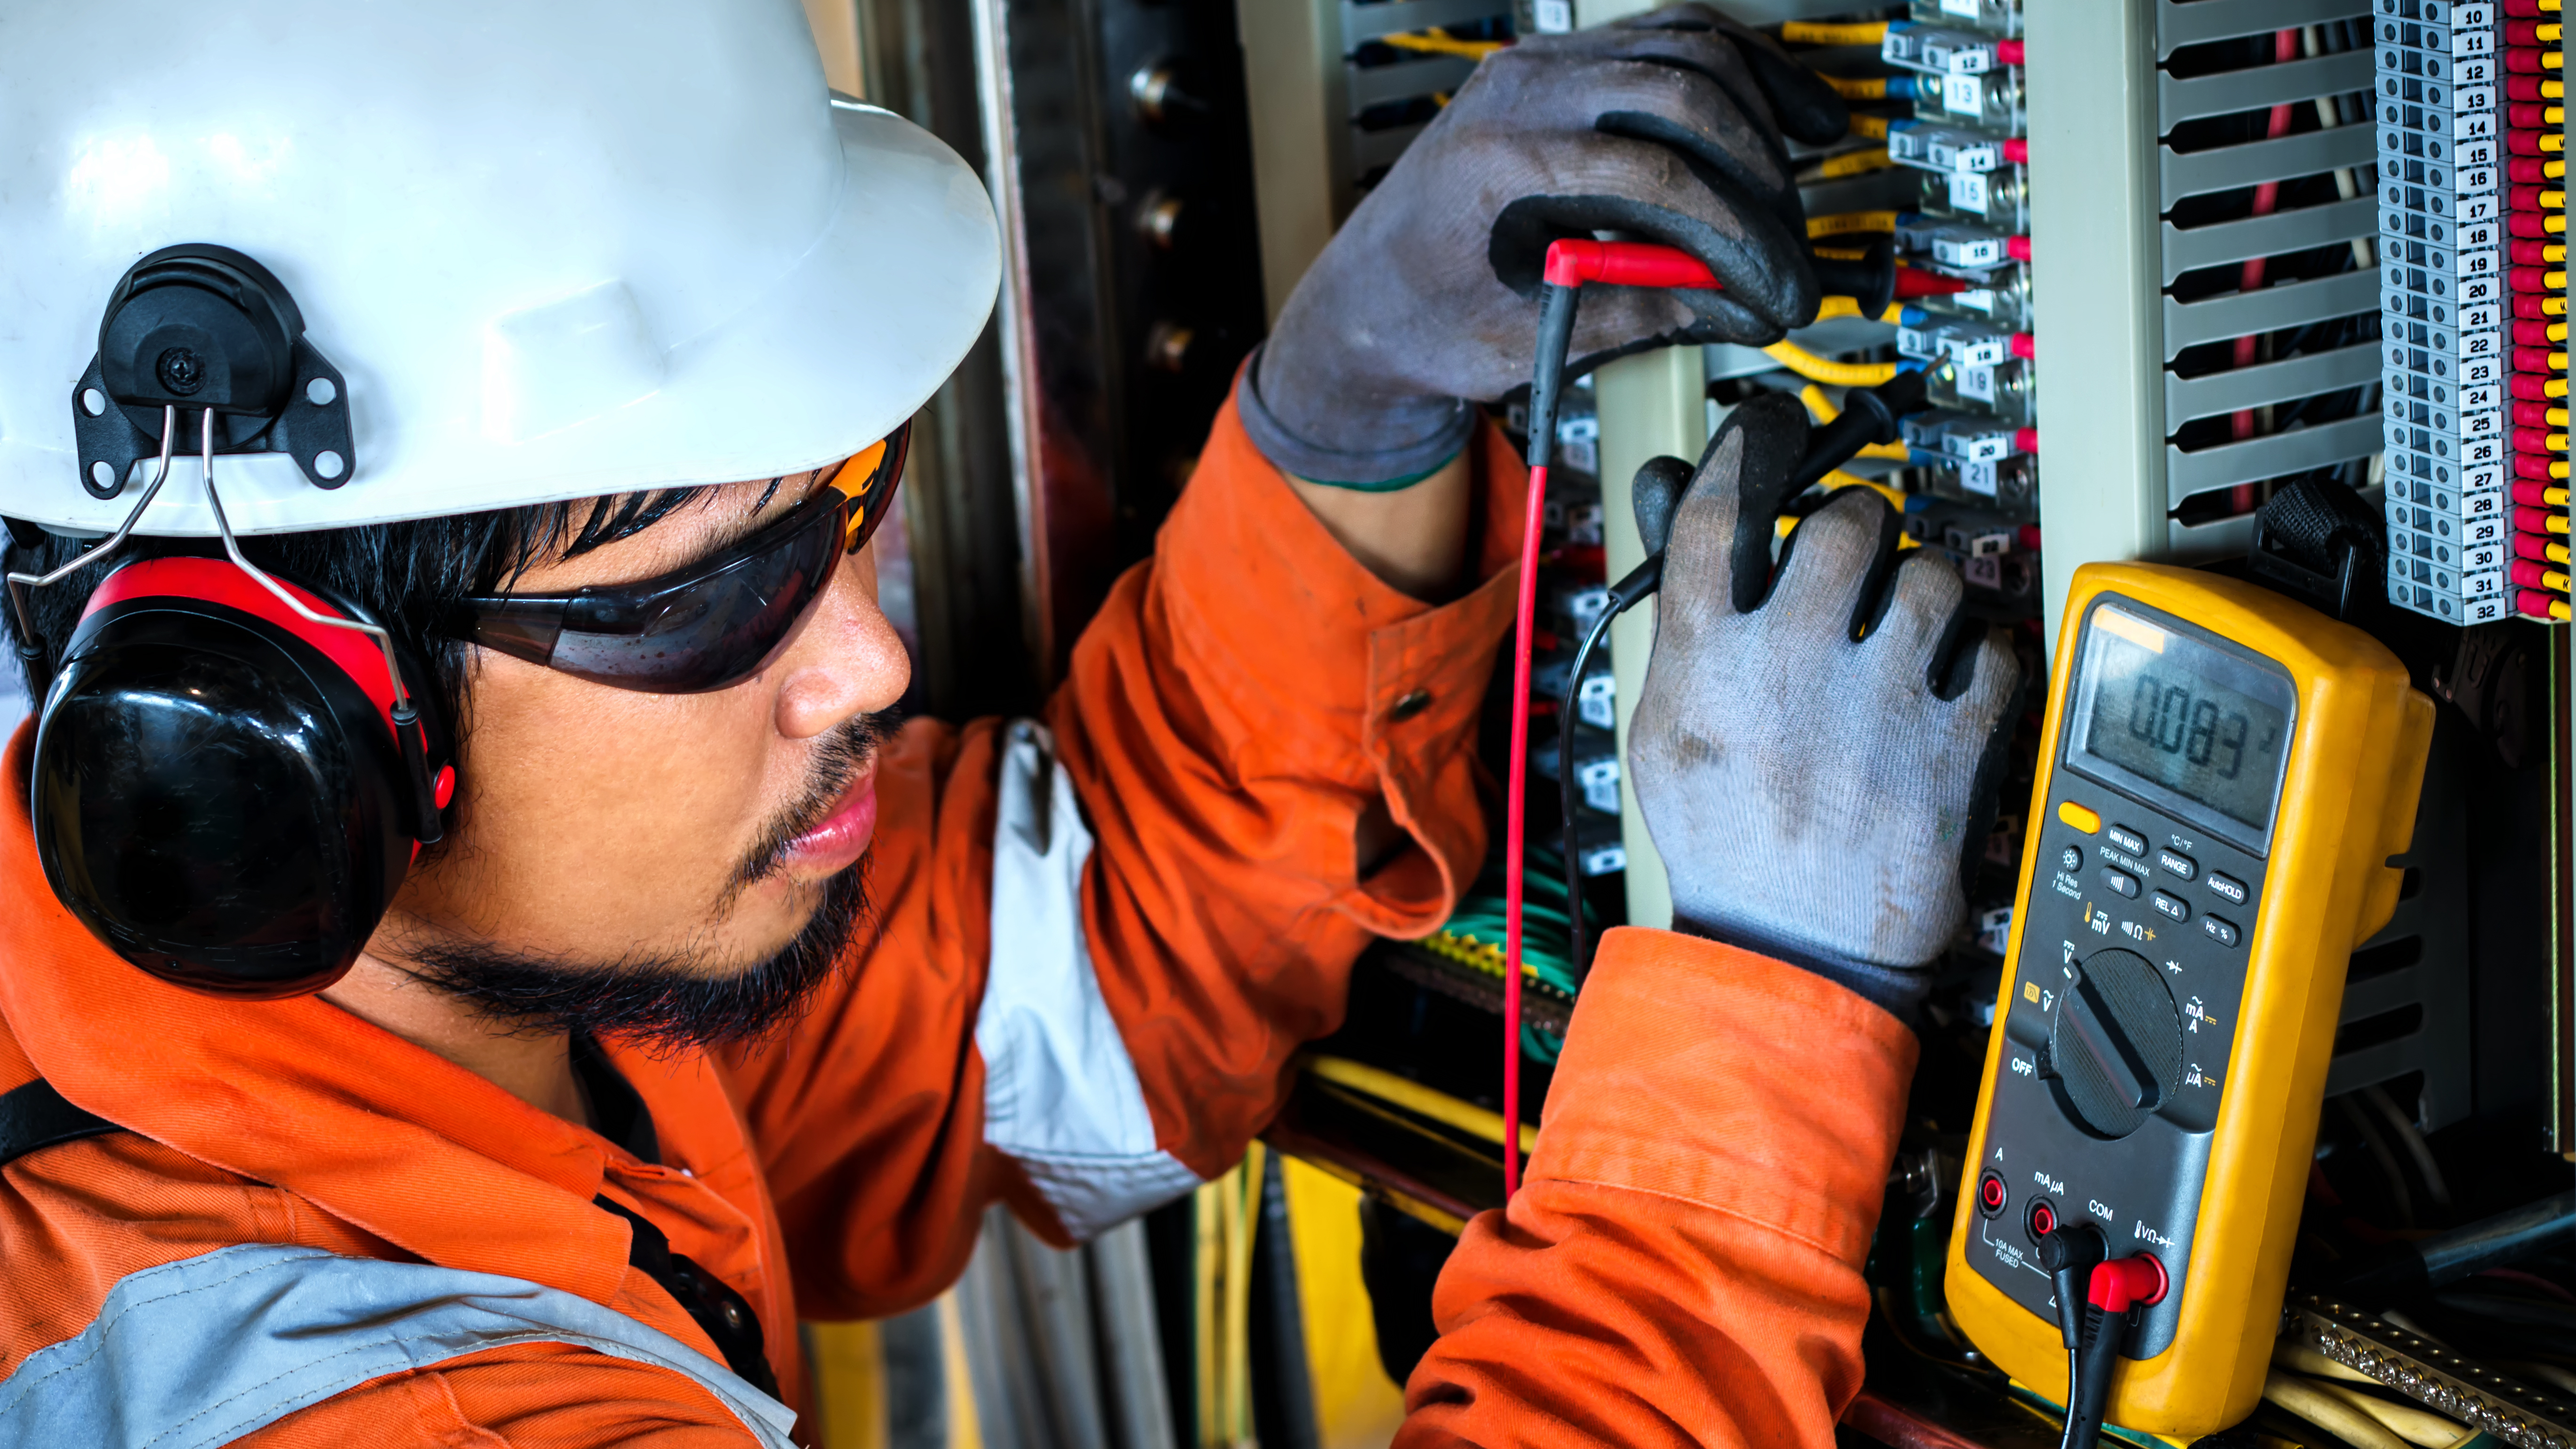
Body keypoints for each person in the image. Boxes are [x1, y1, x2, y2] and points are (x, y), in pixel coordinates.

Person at [0, 2, 2016, 1445]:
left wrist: (1345, 425)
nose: (870, 659)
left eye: (846, 515)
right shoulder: (364, 1402)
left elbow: (1054, 975)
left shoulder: (446, 1002)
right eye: (696, 595)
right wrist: (1756, 1034)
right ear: (264, 725)